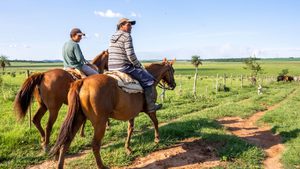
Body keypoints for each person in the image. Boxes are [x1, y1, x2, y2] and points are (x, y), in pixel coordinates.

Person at [108, 18, 162, 113]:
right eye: (128, 24)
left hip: (112, 67)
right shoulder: (127, 36)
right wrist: (139, 65)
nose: (131, 27)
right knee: (149, 80)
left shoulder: (112, 37)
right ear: (121, 26)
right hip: (124, 67)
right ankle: (151, 107)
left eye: (131, 25)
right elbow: (130, 55)